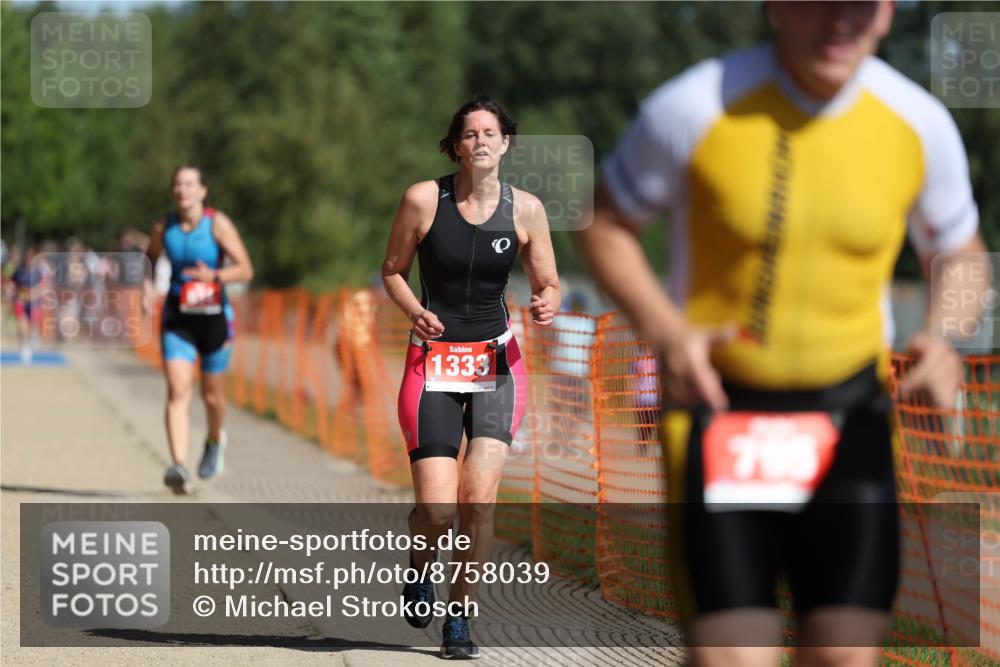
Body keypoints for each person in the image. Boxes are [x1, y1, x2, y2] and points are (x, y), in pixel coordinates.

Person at [578, 2, 989, 666]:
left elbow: (963, 252)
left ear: (886, 15)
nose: (838, 22)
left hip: (850, 418)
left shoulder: (917, 124)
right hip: (723, 414)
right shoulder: (695, 106)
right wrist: (666, 331)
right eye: (818, 1)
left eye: (860, 5)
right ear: (776, 6)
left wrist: (944, 336)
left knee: (843, 656)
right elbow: (601, 221)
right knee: (734, 657)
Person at [382, 95, 560, 659]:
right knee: (435, 510)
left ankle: (459, 618)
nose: (480, 141)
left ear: (505, 143)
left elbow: (547, 281)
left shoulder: (526, 210)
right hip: (431, 366)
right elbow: (391, 271)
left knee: (477, 501)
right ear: (455, 146)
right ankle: (419, 569)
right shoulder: (422, 199)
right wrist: (414, 310)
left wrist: (546, 303)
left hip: (496, 366)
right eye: (469, 134)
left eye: (490, 132)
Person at [143, 165, 253, 494]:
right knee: (178, 390)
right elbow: (147, 260)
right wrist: (145, 289)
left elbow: (246, 269)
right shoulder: (164, 227)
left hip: (215, 319)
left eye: (190, 184)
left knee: (212, 396)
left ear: (203, 191)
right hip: (178, 319)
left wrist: (216, 277)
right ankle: (178, 466)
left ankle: (215, 439)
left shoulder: (217, 224)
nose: (182, 189)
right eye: (177, 184)